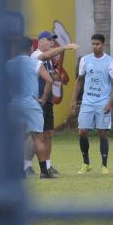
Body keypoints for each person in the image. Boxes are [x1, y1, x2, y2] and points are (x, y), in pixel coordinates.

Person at [26, 30, 78, 176]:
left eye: (52, 40)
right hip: (37, 100)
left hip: (47, 101)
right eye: (48, 40)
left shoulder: (48, 61)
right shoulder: (36, 55)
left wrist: (54, 75)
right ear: (40, 41)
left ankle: (47, 166)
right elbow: (45, 55)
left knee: (48, 134)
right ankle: (27, 165)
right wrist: (65, 47)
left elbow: (49, 77)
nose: (51, 42)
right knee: (36, 135)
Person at [7, 36, 55, 179]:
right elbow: (49, 80)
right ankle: (44, 173)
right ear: (31, 49)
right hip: (32, 104)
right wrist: (44, 98)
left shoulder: (9, 64)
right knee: (38, 139)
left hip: (15, 104)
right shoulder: (36, 63)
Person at [70, 33, 113, 174]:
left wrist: (110, 103)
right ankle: (86, 164)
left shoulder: (111, 62)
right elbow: (79, 80)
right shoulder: (85, 60)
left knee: (102, 133)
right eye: (93, 44)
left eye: (97, 44)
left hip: (102, 102)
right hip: (87, 102)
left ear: (103, 45)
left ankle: (104, 166)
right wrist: (73, 100)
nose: (95, 46)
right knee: (82, 132)